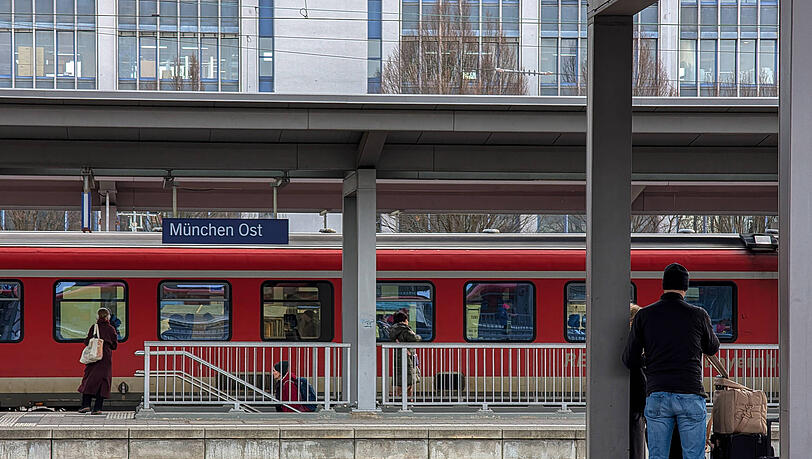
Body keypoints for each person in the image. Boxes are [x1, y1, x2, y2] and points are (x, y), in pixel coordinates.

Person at [623, 263, 720, 459]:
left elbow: (629, 359)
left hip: (658, 394)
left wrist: (649, 360)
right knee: (693, 455)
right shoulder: (698, 314)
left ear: (663, 285)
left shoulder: (644, 315)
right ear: (685, 287)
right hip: (690, 393)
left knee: (658, 455)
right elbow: (712, 347)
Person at [77, 307, 118, 414]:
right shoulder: (111, 329)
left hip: (93, 357)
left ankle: (85, 405)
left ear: (97, 317)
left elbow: (87, 342)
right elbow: (114, 345)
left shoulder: (94, 328)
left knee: (89, 380)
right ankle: (97, 408)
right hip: (105, 359)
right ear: (108, 317)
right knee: (103, 382)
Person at [388, 311, 421, 397]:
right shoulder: (405, 330)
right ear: (404, 320)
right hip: (408, 356)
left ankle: (405, 398)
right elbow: (415, 338)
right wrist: (418, 336)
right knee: (409, 378)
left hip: (399, 355)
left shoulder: (393, 330)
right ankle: (403, 397)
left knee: (402, 377)